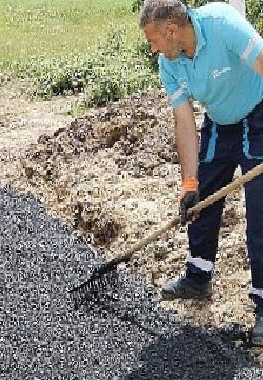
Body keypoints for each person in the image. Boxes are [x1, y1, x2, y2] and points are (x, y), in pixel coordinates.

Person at [139, 0, 263, 343]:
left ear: (171, 30)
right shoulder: (170, 63)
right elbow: (184, 121)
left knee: (261, 211)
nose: (153, 50)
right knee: (200, 200)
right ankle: (198, 274)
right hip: (220, 122)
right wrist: (189, 182)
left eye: (153, 41)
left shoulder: (222, 24)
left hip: (258, 113)